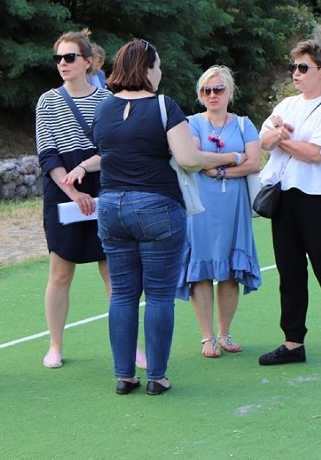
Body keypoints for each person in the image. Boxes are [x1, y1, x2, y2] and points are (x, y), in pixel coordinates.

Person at [92, 38, 205, 396]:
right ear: (146, 69)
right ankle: (157, 376)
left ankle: (124, 375)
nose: (160, 72)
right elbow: (188, 159)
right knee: (158, 296)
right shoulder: (164, 106)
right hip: (157, 206)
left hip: (110, 206)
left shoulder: (103, 109)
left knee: (122, 295)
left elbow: (106, 152)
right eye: (157, 66)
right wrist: (225, 158)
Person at [36, 30, 145, 370]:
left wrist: (85, 171)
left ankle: (130, 348)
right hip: (63, 189)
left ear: (88, 62)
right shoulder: (47, 101)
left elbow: (112, 151)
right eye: (58, 59)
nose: (63, 64)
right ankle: (55, 345)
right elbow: (47, 154)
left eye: (70, 58)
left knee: (114, 272)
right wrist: (73, 190)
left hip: (104, 186)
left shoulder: (108, 101)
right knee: (60, 273)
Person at [256, 39, 321, 367]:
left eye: (303, 68)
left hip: (319, 201)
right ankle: (292, 343)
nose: (296, 74)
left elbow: (317, 154)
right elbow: (263, 141)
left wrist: (282, 139)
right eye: (294, 68)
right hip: (285, 198)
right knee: (289, 271)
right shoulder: (287, 105)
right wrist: (281, 139)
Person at [177, 66, 262, 358]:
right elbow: (195, 158)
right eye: (206, 90)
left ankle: (225, 333)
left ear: (230, 92)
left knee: (229, 271)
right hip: (200, 206)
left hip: (234, 205)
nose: (212, 95)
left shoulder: (244, 124)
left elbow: (255, 163)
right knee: (200, 269)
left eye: (218, 89)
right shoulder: (191, 123)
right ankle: (207, 338)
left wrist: (222, 169)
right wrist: (235, 156)